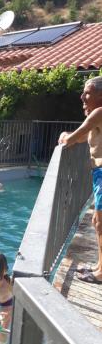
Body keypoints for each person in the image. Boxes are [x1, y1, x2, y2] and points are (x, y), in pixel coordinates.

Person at [58, 76, 102, 284]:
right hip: (98, 174)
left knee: (100, 223)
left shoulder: (99, 112)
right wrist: (70, 135)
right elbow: (84, 136)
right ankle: (99, 266)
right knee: (97, 221)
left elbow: (75, 137)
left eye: (88, 92)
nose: (82, 96)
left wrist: (66, 137)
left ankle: (101, 273)